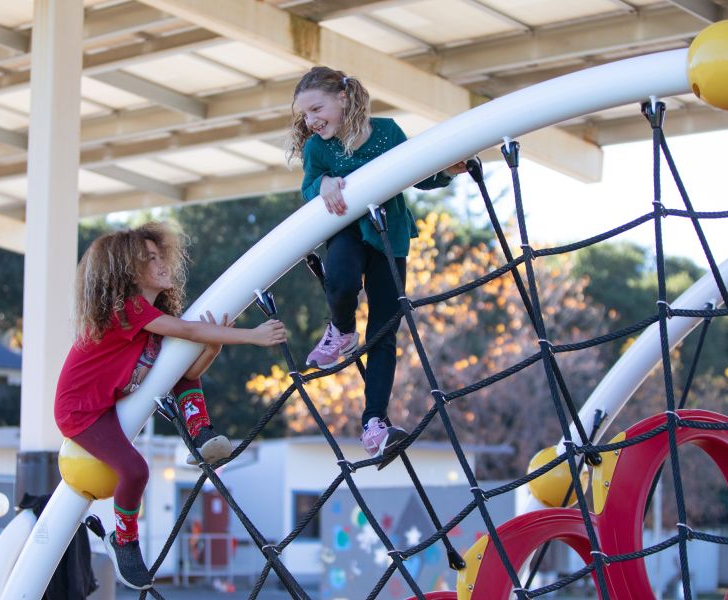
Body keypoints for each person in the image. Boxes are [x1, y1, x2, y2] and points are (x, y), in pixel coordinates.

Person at [54, 223, 285, 590]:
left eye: (162, 256)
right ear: (128, 271)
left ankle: (200, 433)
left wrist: (213, 346)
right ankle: (124, 540)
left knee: (178, 365)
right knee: (134, 470)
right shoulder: (129, 310)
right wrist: (252, 337)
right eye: (150, 259)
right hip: (81, 411)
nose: (162, 264)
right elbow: (193, 331)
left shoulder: (150, 323)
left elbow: (188, 370)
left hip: (110, 401)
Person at [286, 66, 465, 462]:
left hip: (389, 237)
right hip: (349, 230)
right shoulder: (318, 149)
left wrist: (447, 172)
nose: (312, 121)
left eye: (317, 108)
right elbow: (309, 188)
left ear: (343, 98)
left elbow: (418, 174)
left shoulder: (387, 133)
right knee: (341, 280)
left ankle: (374, 423)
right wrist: (325, 185)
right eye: (305, 115)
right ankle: (342, 328)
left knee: (384, 331)